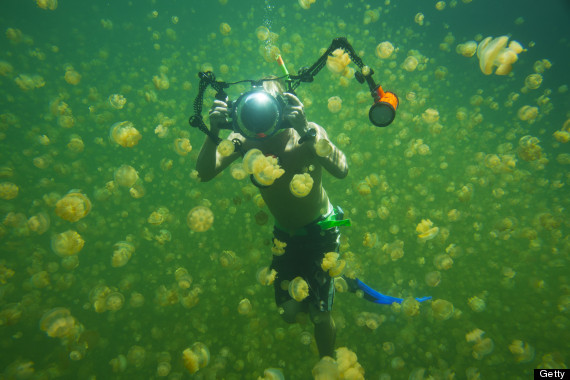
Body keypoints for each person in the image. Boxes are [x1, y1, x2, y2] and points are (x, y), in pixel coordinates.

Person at [195, 79, 348, 358]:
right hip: (285, 234)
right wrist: (212, 132)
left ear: (285, 105)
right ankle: (320, 285)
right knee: (288, 313)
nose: (262, 119)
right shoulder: (242, 139)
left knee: (319, 315)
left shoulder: (307, 133)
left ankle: (329, 363)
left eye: (270, 107)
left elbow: (342, 169)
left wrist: (304, 129)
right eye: (255, 110)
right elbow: (204, 172)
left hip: (323, 227)